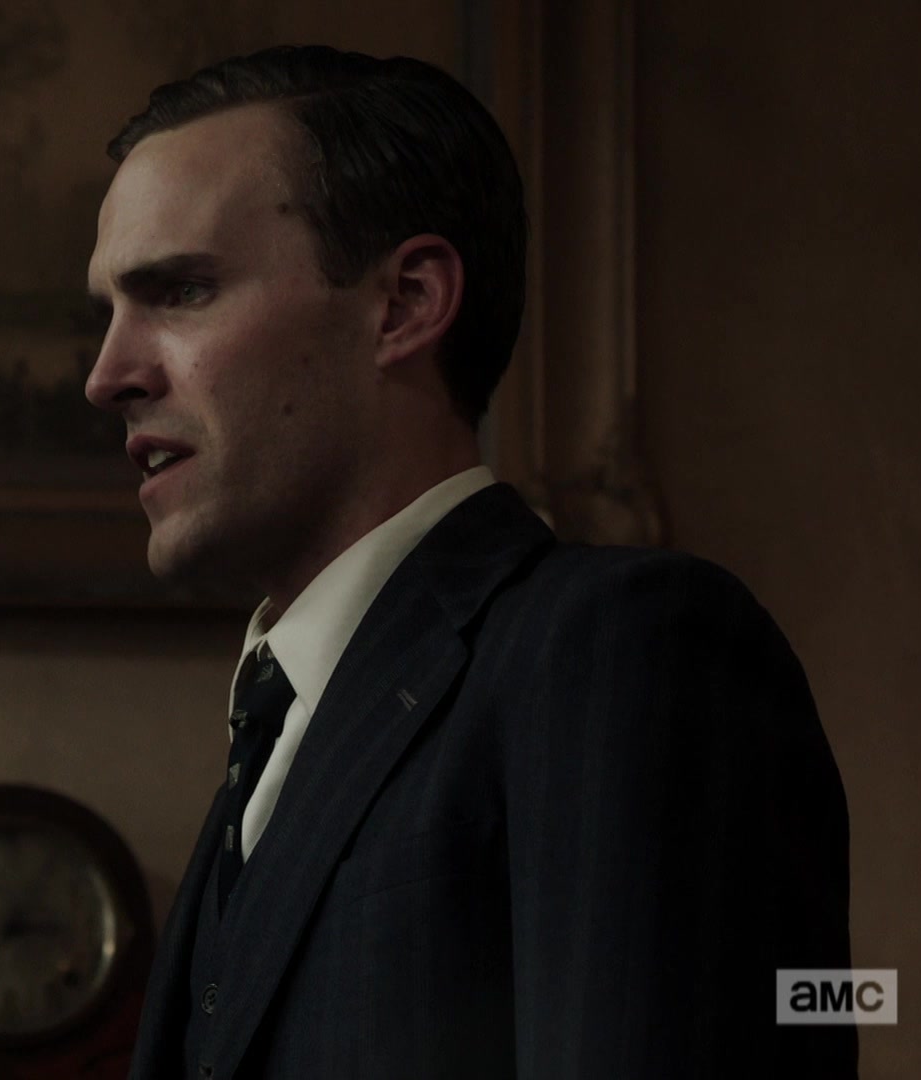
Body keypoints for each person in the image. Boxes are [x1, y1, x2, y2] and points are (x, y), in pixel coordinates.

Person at [83, 46, 855, 1079]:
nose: (107, 375)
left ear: (405, 303)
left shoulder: (623, 647)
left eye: (181, 291)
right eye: (107, 312)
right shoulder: (277, 731)